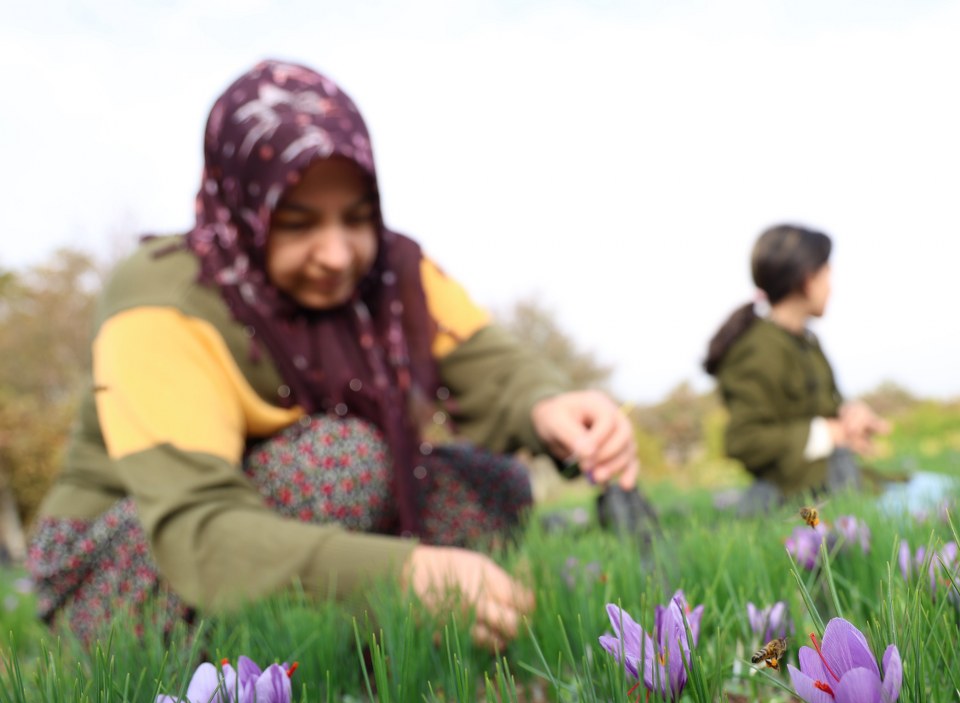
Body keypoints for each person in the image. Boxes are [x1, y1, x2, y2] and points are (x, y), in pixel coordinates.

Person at [25, 59, 640, 649]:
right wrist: (400, 576)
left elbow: (493, 366)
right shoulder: (163, 302)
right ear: (244, 212)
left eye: (358, 218)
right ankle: (268, 666)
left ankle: (339, 636)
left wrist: (554, 406)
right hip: (136, 556)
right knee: (341, 460)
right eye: (297, 224)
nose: (339, 254)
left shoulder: (395, 275)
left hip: (272, 520)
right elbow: (198, 529)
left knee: (489, 488)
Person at [703, 224, 889, 516]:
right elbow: (743, 439)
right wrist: (827, 433)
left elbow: (827, 407)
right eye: (827, 274)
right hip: (792, 499)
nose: (831, 286)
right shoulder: (758, 348)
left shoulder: (807, 342)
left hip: (836, 480)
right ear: (806, 279)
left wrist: (850, 417)